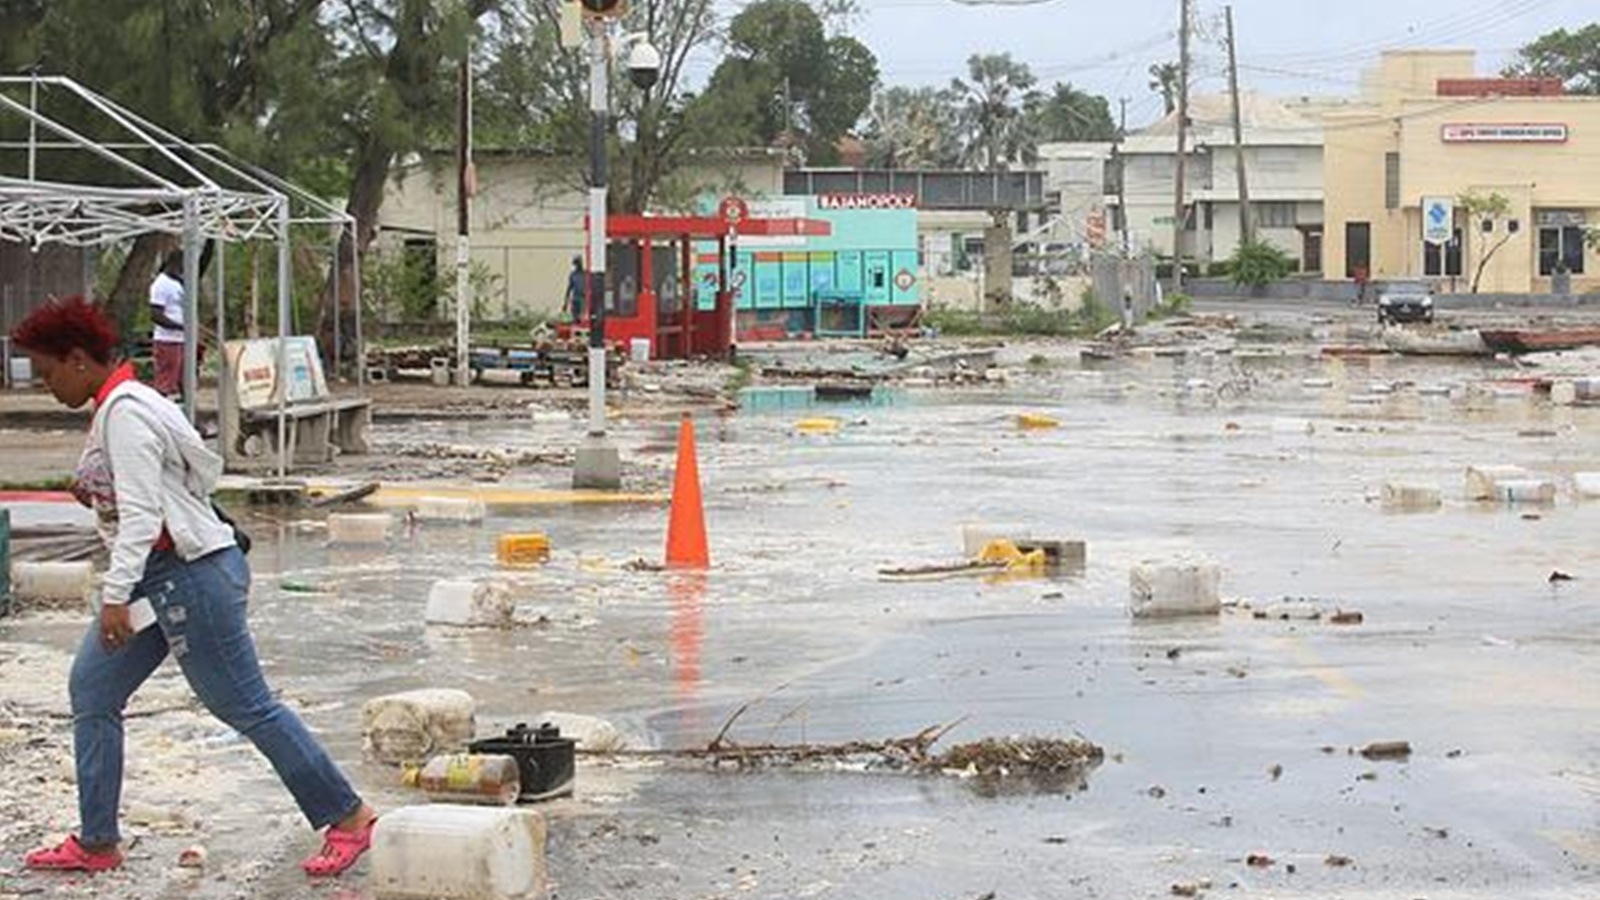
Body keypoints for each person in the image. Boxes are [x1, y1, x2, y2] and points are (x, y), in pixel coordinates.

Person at [10, 296, 378, 878]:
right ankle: (97, 841)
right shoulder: (130, 402)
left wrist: (112, 597)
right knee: (93, 690)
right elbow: (180, 480)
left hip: (187, 575)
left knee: (244, 703)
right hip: (164, 576)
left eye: (48, 371)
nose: (47, 385)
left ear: (78, 360)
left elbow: (141, 517)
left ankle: (349, 817)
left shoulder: (126, 412)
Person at [149, 251, 188, 399]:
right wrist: (179, 326)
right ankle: (158, 410)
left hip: (182, 340)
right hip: (168, 340)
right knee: (166, 381)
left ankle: (188, 412)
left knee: (185, 378)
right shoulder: (161, 284)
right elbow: (156, 315)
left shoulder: (178, 282)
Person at [565, 254, 588, 323]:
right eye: (576, 263)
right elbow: (569, 288)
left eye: (578, 262)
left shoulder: (586, 274)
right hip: (575, 298)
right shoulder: (573, 275)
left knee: (582, 318)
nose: (577, 265)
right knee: (575, 318)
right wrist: (565, 301)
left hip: (583, 299)